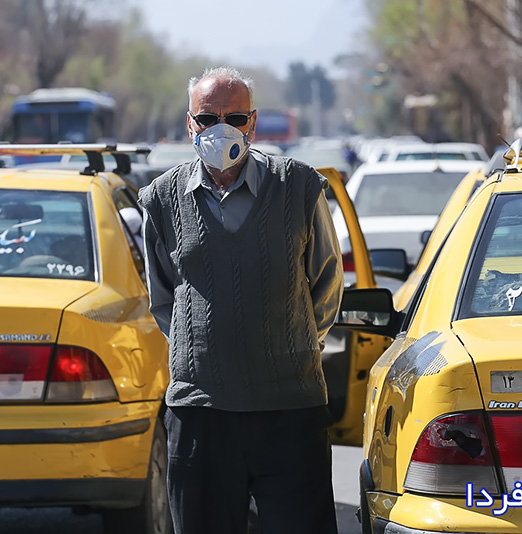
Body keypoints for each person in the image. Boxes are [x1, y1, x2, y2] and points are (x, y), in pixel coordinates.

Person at [138, 66, 344, 534]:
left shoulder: (299, 187)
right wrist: (203, 355)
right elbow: (165, 298)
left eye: (233, 117)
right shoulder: (163, 199)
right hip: (200, 414)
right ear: (190, 123)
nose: (221, 128)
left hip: (289, 409)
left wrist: (290, 348)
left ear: (252, 122)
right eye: (208, 118)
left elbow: (327, 283)